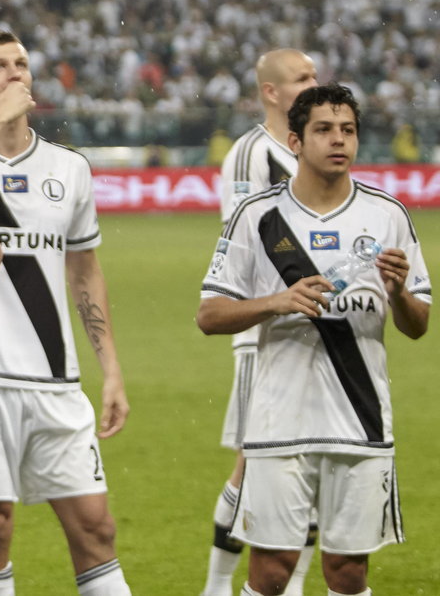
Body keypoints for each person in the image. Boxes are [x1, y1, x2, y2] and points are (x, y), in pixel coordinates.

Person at [197, 83, 430, 596]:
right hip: (280, 420)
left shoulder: (387, 215)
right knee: (272, 571)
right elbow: (209, 314)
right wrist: (275, 302)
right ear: (296, 141)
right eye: (323, 129)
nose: (338, 140)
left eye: (347, 129)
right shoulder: (256, 217)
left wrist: (398, 292)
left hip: (361, 420)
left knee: (347, 575)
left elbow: (418, 325)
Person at [0, 29, 131, 595]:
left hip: (55, 379)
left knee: (97, 526)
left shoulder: (70, 168)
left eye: (21, 62)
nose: (15, 73)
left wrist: (111, 369)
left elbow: (84, 269)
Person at [204, 48, 318, 596]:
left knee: (312, 460)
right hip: (264, 334)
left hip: (318, 333)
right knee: (254, 464)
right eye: (303, 79)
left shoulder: (315, 148)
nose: (314, 84)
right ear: (271, 93)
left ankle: (293, 584)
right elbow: (245, 243)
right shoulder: (252, 155)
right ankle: (217, 584)